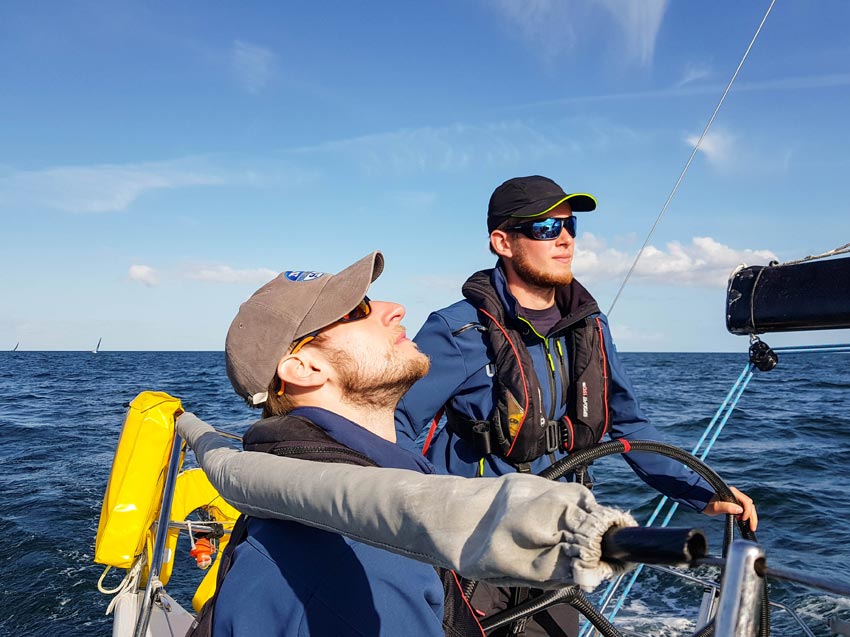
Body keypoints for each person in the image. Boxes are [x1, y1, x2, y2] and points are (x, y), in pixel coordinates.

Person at [193, 251, 637, 637]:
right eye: (356, 310)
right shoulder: (357, 557)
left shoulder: (368, 488)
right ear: (304, 368)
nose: (395, 308)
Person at [394, 175, 758, 636]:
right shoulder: (456, 330)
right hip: (473, 547)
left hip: (557, 538)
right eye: (545, 227)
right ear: (502, 242)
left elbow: (629, 425)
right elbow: (399, 425)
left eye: (570, 227)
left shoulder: (590, 326)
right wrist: (423, 514)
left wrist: (701, 493)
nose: (564, 239)